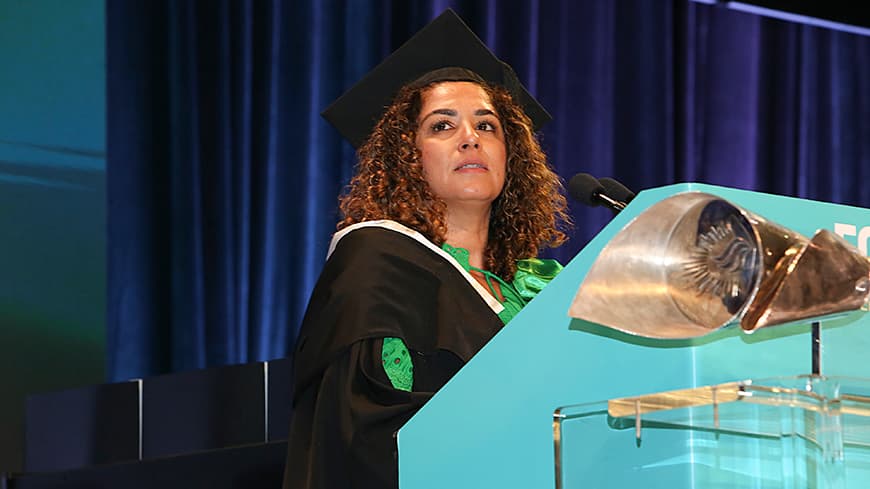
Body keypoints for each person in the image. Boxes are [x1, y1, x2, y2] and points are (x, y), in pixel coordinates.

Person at [283, 10, 569, 489]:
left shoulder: (537, 290)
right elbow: (369, 430)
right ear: (407, 156)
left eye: (488, 126)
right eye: (442, 126)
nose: (469, 139)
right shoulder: (378, 262)